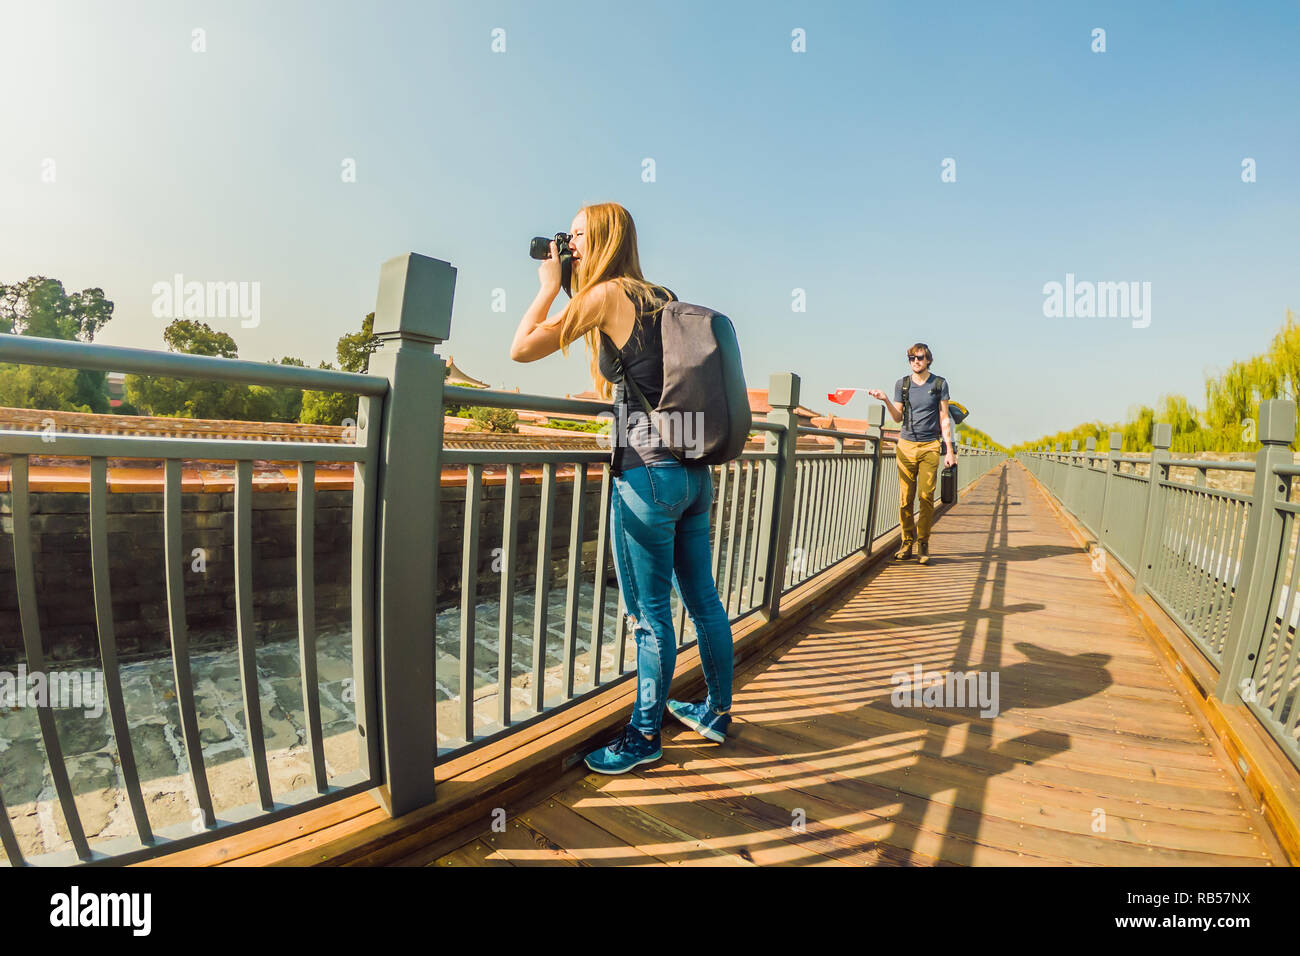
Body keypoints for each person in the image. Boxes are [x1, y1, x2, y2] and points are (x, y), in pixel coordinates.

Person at [509, 202, 734, 774]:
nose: (571, 244)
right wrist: (572, 286)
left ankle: (643, 736)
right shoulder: (657, 293)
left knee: (649, 613)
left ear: (604, 239)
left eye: (579, 236)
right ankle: (715, 711)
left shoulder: (603, 295)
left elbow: (523, 347)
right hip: (692, 472)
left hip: (646, 474)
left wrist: (547, 283)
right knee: (702, 598)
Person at [867, 343, 957, 565]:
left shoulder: (939, 384)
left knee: (926, 497)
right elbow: (897, 418)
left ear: (928, 360)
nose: (916, 361)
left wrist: (950, 450)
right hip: (906, 445)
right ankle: (907, 541)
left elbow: (944, 417)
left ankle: (923, 543)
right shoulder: (903, 384)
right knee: (905, 500)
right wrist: (886, 399)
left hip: (929, 447)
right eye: (912, 358)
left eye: (920, 357)